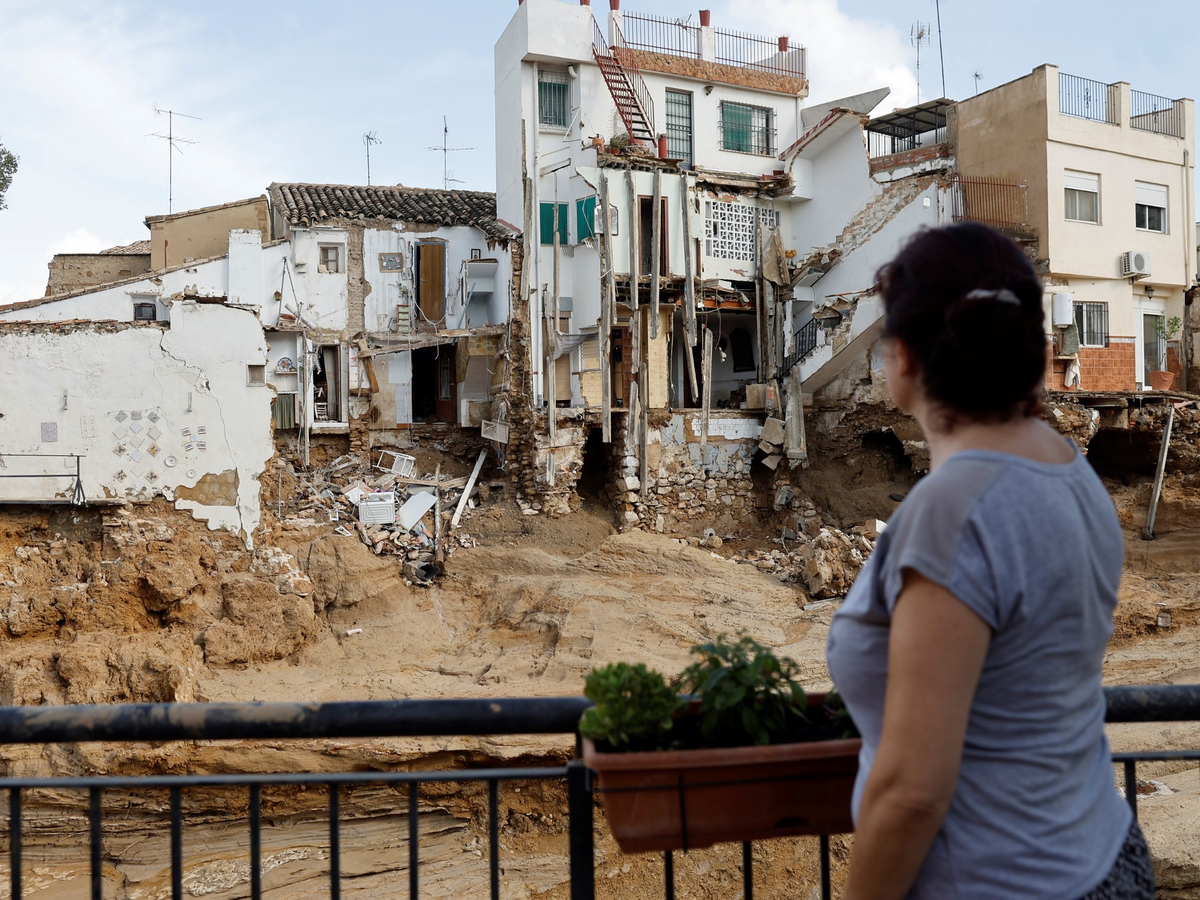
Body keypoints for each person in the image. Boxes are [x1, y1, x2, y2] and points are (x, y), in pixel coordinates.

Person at [825, 222, 1154, 900]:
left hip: (1000, 881)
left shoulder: (954, 509)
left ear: (906, 357)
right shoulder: (1069, 469)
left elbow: (914, 790)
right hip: (1104, 853)